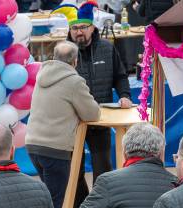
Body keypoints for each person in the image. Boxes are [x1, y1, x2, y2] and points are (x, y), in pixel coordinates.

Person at [56, 1, 132, 181]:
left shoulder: (107, 48)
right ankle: (80, 207)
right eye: (74, 28)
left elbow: (120, 76)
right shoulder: (63, 53)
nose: (79, 32)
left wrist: (124, 96)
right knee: (74, 170)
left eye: (83, 27)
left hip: (100, 119)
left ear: (92, 27)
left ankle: (102, 206)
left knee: (103, 168)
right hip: (72, 122)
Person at [26, 40, 100, 208]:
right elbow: (92, 114)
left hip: (33, 144)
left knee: (48, 198)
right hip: (55, 148)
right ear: (75, 61)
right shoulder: (74, 81)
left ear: (53, 57)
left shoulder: (42, 74)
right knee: (53, 204)